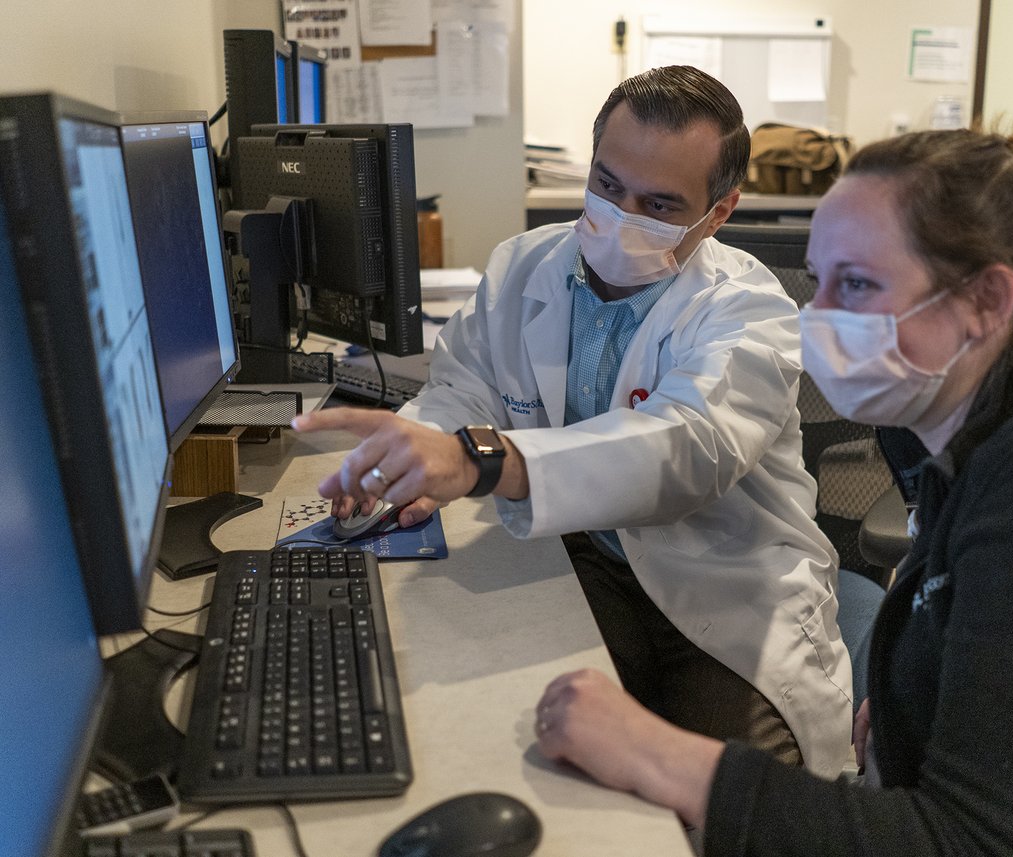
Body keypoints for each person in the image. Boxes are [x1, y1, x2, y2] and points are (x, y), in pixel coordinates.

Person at [530, 118, 1013, 855]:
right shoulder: (947, 426)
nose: (817, 318)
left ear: (988, 300)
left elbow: (978, 844)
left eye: (856, 283)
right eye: (819, 283)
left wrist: (654, 753)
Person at [292, 65, 853, 777]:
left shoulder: (747, 310)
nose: (620, 215)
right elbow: (465, 387)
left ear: (719, 211)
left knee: (728, 806)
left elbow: (688, 448)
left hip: (728, 594)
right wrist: (410, 458)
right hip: (585, 564)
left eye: (658, 203)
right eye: (608, 184)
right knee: (521, 746)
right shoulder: (523, 267)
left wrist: (481, 461)